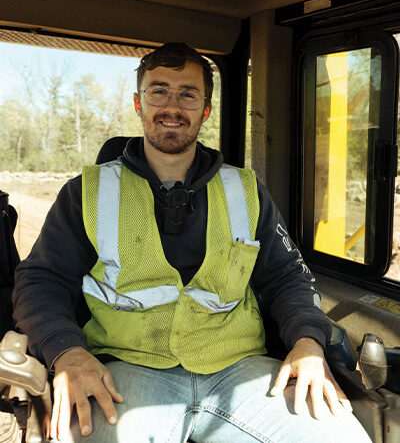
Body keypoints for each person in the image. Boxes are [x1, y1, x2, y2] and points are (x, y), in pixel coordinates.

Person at [12, 42, 371, 443]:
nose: (172, 106)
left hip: (243, 372)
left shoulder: (246, 191)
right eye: (158, 91)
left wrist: (307, 342)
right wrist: (67, 354)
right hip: (126, 371)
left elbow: (288, 278)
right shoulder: (87, 193)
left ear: (205, 109)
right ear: (138, 103)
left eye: (188, 93)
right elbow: (40, 281)